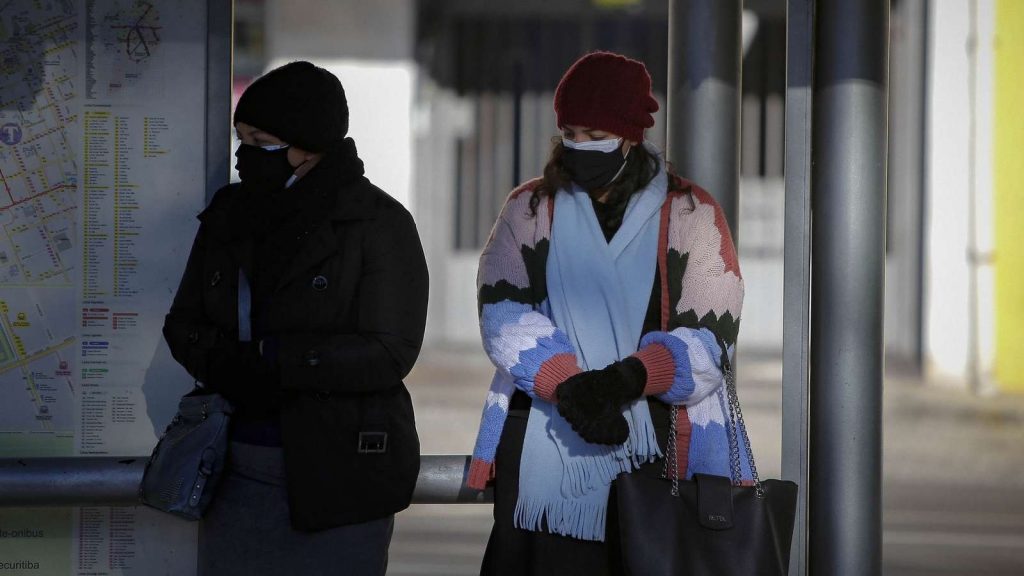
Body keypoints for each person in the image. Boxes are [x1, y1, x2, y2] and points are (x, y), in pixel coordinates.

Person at [467, 51, 753, 575]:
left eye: (594, 133)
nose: (579, 145)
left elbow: (712, 339)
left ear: (629, 136)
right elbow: (502, 312)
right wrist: (570, 386)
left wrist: (624, 380)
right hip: (545, 440)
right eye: (570, 132)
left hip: (659, 456)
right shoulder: (530, 209)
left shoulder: (692, 215)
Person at [162, 61, 428, 576]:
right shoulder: (229, 214)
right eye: (241, 138)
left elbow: (391, 349)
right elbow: (184, 322)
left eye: (260, 140)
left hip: (340, 480)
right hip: (233, 473)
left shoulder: (378, 222)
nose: (244, 155)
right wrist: (228, 366)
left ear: (309, 145)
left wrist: (278, 361)